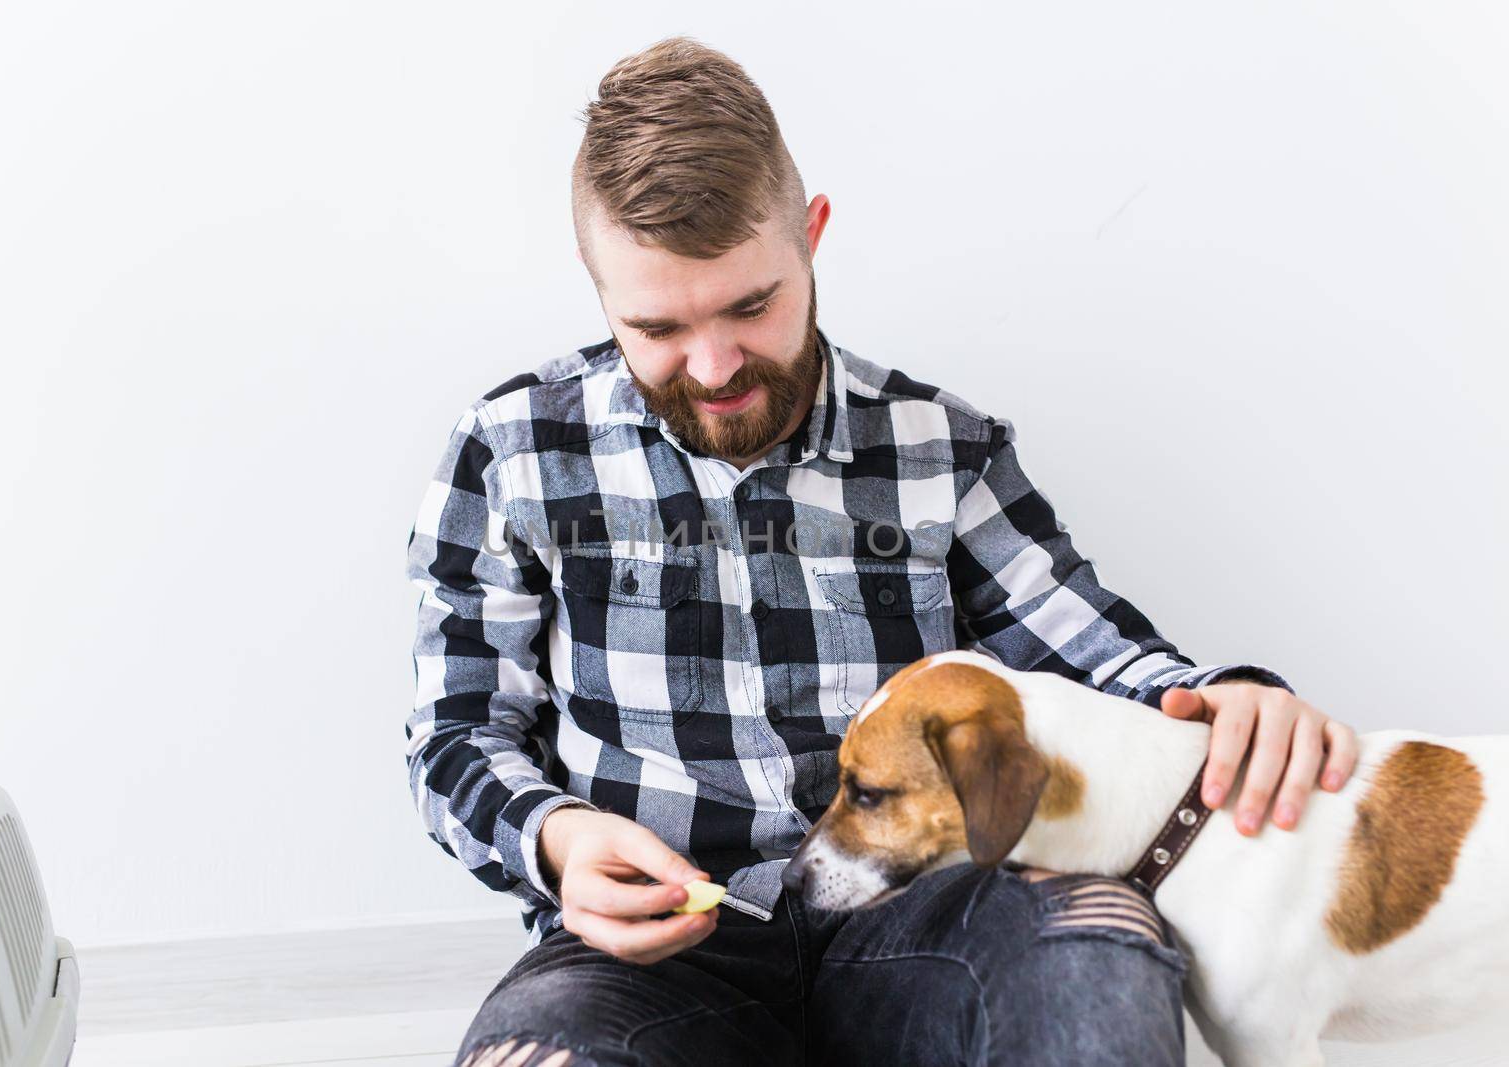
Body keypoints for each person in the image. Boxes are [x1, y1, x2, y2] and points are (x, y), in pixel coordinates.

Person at [404, 36, 1358, 1067]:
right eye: (659, 327)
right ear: (599, 291)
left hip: (924, 919)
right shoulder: (511, 449)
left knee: (1102, 947)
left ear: (810, 238)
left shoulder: (941, 447)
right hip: (646, 960)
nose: (715, 366)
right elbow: (456, 729)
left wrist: (1222, 696)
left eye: (750, 305)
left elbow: (1100, 659)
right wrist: (555, 838)